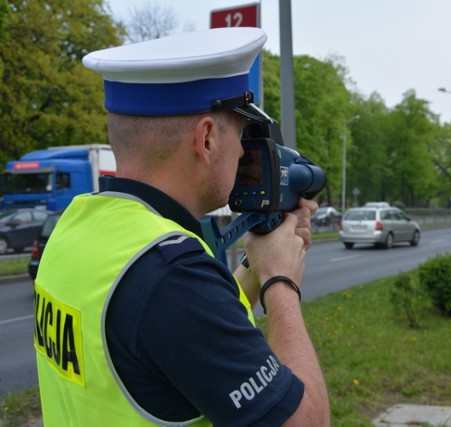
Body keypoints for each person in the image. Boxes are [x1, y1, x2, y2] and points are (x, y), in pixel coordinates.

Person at [34, 27, 330, 426]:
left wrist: (256, 265)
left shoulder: (76, 226)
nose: (244, 151)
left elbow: (168, 332)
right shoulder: (172, 276)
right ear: (206, 138)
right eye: (242, 135)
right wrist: (281, 282)